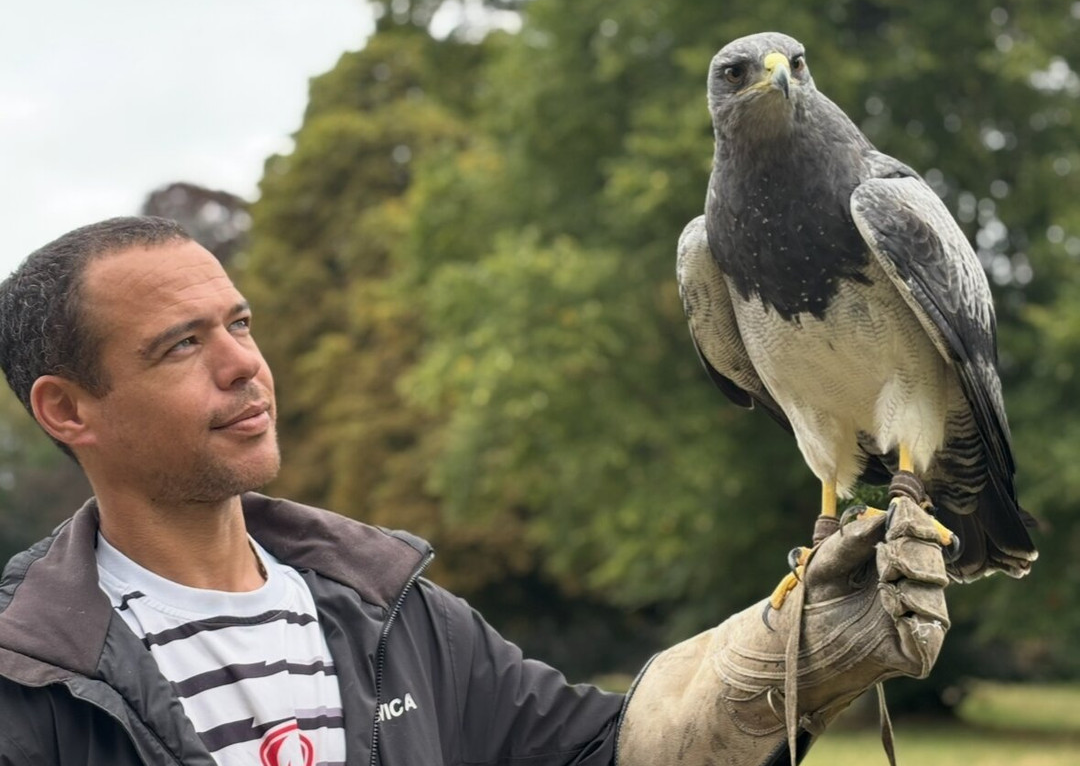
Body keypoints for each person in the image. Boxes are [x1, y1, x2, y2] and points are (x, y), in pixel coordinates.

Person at [0, 217, 951, 766]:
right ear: (67, 409)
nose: (245, 366)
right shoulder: (29, 679)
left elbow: (609, 756)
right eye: (182, 345)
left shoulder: (394, 615)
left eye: (240, 324)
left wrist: (790, 657)